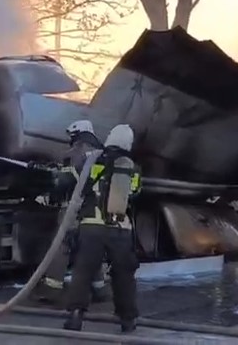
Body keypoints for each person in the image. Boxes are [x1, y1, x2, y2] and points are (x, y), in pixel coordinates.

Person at [63, 124, 142, 333]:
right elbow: (134, 194)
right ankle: (128, 320)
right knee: (124, 275)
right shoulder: (132, 167)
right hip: (120, 230)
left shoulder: (92, 159)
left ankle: (75, 316)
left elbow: (72, 180)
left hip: (91, 227)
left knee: (83, 272)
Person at [32, 120, 111, 304]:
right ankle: (100, 290)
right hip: (97, 210)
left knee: (62, 248)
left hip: (74, 210)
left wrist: (49, 196)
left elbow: (66, 181)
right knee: (91, 248)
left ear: (77, 134)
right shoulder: (103, 153)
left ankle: (51, 291)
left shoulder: (76, 152)